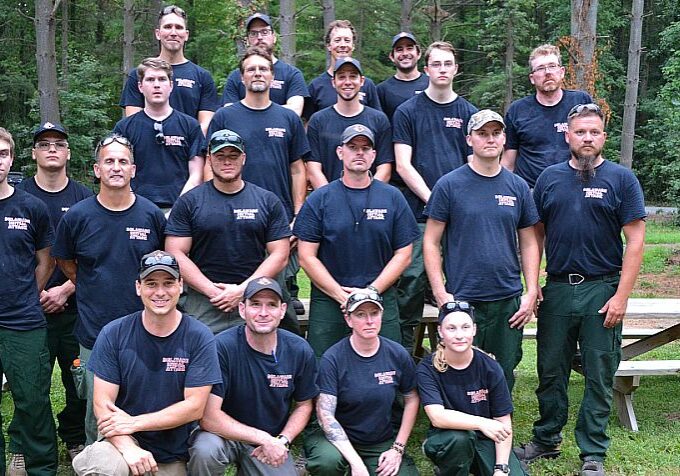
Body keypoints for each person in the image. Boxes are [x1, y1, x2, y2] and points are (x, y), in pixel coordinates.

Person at [514, 103, 646, 476]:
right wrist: (533, 282)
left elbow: (635, 241)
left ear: (603, 137)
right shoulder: (549, 179)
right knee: (550, 369)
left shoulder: (621, 180)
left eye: (594, 132)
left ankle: (593, 453)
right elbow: (534, 235)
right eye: (580, 132)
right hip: (556, 289)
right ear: (567, 136)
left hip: (602, 289)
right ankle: (546, 438)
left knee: (600, 371)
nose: (587, 138)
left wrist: (621, 296)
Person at [52, 134, 166, 445]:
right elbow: (65, 261)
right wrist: (89, 282)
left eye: (123, 162)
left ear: (133, 170)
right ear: (97, 170)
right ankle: (98, 459)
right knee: (98, 414)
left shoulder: (152, 215)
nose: (116, 167)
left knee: (145, 404)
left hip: (145, 330)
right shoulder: (78, 216)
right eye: (109, 161)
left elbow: (163, 270)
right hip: (95, 333)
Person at [72, 250, 221, 476]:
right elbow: (103, 406)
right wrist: (129, 447)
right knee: (102, 466)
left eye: (168, 283)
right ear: (138, 287)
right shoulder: (114, 333)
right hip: (122, 443)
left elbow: (194, 407)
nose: (160, 292)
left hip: (172, 450)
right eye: (151, 283)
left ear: (180, 286)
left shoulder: (199, 336)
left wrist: (135, 422)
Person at [422, 110, 540, 392]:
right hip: (463, 297)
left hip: (507, 299)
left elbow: (529, 242)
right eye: (482, 133)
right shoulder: (449, 185)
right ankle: (462, 431)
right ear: (469, 139)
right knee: (459, 371)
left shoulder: (517, 186)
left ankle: (499, 430)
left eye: (496, 133)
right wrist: (441, 294)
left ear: (504, 139)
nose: (490, 139)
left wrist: (531, 290)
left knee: (503, 370)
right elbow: (430, 241)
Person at [295, 124, 419, 357]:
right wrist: (342, 295)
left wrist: (370, 292)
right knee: (323, 369)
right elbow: (306, 256)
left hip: (380, 299)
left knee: (388, 367)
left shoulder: (393, 197)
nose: (359, 153)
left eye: (365, 148)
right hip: (330, 299)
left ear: (374, 155)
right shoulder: (320, 199)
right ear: (340, 152)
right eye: (353, 147)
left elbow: (404, 254)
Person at [392, 41, 478, 353]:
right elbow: (403, 164)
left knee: (459, 285)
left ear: (456, 69)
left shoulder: (469, 113)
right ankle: (404, 357)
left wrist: (456, 205)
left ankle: (463, 359)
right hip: (418, 213)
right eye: (436, 64)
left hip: (459, 217)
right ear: (426, 69)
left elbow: (474, 164)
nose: (442, 69)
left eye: (447, 64)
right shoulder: (408, 111)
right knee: (411, 284)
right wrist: (435, 200)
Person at [165, 129, 292, 334]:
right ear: (209, 159)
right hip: (204, 299)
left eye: (233, 156)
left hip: (255, 297)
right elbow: (175, 252)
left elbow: (280, 254)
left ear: (244, 158)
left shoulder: (267, 201)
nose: (227, 162)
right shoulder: (189, 202)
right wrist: (213, 292)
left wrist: (243, 290)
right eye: (220, 156)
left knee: (256, 360)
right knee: (203, 359)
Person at [188, 277, 319, 475]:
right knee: (205, 450)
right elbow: (208, 417)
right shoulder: (221, 347)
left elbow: (304, 405)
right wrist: (262, 437)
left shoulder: (299, 349)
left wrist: (282, 440)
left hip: (270, 440)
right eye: (255, 304)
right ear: (242, 309)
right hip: (222, 435)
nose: (263, 313)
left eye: (271, 305)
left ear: (283, 310)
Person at [15, 122, 92, 460]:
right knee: (30, 382)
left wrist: (66, 290)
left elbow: (96, 256)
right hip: (26, 309)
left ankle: (75, 438)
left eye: (59, 144)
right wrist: (34, 295)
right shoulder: (18, 197)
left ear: (68, 153)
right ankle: (22, 444)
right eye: (43, 144)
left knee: (79, 380)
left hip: (77, 306)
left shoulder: (85, 197)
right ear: (33, 153)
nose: (51, 149)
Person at [306, 290, 420, 476]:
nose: (369, 321)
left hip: (379, 438)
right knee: (327, 462)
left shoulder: (397, 354)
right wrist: (356, 463)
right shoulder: (333, 358)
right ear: (348, 319)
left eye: (374, 313)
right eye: (360, 314)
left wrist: (397, 448)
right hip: (335, 439)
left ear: (381, 315)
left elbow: (412, 397)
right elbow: (325, 415)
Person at [0, 127, 58, 475]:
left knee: (33, 402)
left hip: (22, 321)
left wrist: (26, 294)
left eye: (3, 153)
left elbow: (46, 259)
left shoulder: (31, 207)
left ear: (11, 158)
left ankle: (41, 469)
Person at [417, 302, 527, 476]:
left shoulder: (490, 367)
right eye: (451, 328)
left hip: (486, 438)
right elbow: (437, 417)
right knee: (460, 439)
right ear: (440, 331)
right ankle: (449, 468)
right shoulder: (428, 368)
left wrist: (501, 468)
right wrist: (483, 422)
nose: (459, 335)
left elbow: (503, 422)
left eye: (465, 327)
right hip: (448, 437)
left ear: (474, 330)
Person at [114, 58, 205, 211]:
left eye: (162, 79)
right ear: (140, 86)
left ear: (171, 85)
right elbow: (119, 171)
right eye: (150, 79)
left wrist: (178, 210)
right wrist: (134, 207)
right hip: (135, 209)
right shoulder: (125, 128)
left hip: (181, 208)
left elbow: (196, 174)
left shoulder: (190, 126)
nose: (156, 85)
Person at [501, 43, 593, 188]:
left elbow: (594, 149)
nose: (547, 72)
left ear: (562, 72)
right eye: (540, 68)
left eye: (552, 66)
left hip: (575, 189)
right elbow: (508, 162)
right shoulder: (517, 110)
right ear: (532, 78)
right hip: (530, 192)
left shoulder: (581, 103)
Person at [119, 4, 218, 134]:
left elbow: (205, 126)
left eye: (178, 27)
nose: (173, 33)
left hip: (188, 150)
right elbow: (133, 124)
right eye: (167, 27)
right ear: (158, 33)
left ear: (186, 34)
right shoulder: (138, 75)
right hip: (148, 149)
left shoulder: (203, 77)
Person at [306, 57, 393, 189]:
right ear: (333, 82)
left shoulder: (379, 120)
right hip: (329, 202)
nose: (347, 82)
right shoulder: (318, 121)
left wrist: (369, 196)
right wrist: (331, 198)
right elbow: (313, 168)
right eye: (341, 77)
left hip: (370, 202)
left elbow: (385, 167)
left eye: (353, 76)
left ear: (362, 81)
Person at [221, 13, 308, 116]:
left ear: (274, 37)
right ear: (247, 40)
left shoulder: (292, 74)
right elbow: (229, 114)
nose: (259, 37)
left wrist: (255, 112)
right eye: (253, 33)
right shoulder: (236, 76)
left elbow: (295, 111)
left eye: (265, 32)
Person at [303, 20, 382, 120]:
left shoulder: (367, 85)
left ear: (353, 46)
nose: (343, 45)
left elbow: (377, 121)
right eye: (337, 40)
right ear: (328, 45)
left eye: (347, 40)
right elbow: (308, 125)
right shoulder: (316, 86)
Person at [376, 32, 429, 122]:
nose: (405, 53)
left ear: (418, 53)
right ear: (392, 56)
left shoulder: (431, 85)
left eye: (409, 48)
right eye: (399, 49)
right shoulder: (381, 90)